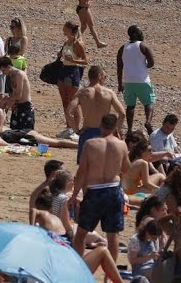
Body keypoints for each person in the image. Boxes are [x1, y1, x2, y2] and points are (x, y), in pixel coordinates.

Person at [70, 113, 127, 260]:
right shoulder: (121, 145)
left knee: (82, 233)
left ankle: (78, 265)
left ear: (101, 126)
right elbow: (127, 169)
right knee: (113, 234)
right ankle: (111, 272)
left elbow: (82, 171)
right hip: (113, 190)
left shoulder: (90, 144)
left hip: (94, 191)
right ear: (115, 127)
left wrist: (75, 194)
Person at [116, 25, 156, 136]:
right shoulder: (143, 46)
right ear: (135, 34)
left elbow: (119, 67)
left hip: (128, 82)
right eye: (140, 32)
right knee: (149, 102)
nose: (142, 34)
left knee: (130, 106)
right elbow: (152, 62)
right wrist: (144, 66)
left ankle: (129, 129)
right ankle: (148, 122)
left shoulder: (122, 48)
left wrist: (120, 84)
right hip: (143, 80)